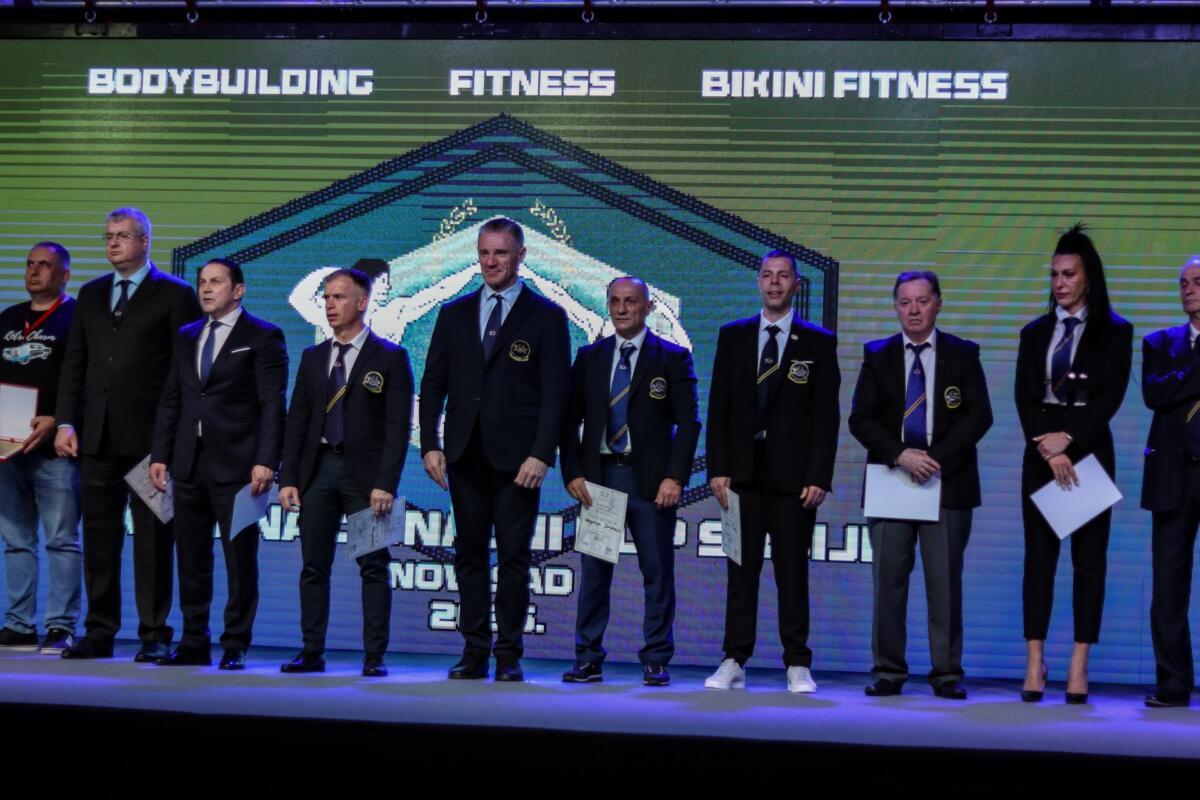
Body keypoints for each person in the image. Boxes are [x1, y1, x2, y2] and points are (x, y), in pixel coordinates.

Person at [420, 217, 571, 682]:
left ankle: (508, 654)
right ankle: (473, 651)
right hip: (464, 454)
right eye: (484, 253)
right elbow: (434, 383)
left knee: (513, 558)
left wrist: (542, 453)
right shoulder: (454, 314)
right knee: (468, 555)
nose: (491, 262)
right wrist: (429, 444)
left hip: (518, 462)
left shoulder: (546, 316)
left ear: (520, 255)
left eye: (500, 253)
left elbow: (557, 395)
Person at [55, 208, 201, 661]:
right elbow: (75, 364)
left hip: (150, 444)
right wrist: (65, 421)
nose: (113, 243)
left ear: (144, 242)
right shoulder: (91, 293)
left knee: (154, 539)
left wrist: (170, 440)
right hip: (96, 439)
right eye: (108, 236)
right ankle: (99, 631)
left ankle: (154, 633)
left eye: (122, 236)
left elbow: (184, 372)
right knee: (99, 539)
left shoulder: (175, 294)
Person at [848, 271, 992, 699]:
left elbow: (979, 416)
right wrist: (901, 454)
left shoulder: (963, 354)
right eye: (905, 302)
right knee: (888, 582)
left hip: (947, 482)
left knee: (944, 584)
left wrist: (933, 459)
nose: (913, 310)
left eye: (922, 301)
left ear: (938, 304)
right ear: (895, 306)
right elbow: (860, 419)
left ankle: (946, 674)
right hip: (892, 480)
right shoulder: (877, 355)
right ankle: (888, 671)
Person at [704, 249, 840, 693]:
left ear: (796, 284)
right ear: (758, 282)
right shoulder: (734, 336)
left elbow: (826, 416)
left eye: (784, 276)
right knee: (740, 572)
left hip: (794, 479)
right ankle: (734, 658)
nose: (775, 282)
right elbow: (719, 406)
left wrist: (819, 475)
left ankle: (797, 662)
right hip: (741, 476)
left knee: (792, 573)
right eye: (767, 275)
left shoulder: (818, 342)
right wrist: (718, 467)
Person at [559, 276, 701, 686]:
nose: (622, 309)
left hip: (651, 483)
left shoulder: (672, 357)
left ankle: (656, 658)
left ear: (648, 307)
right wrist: (573, 472)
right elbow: (567, 420)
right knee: (594, 576)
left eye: (631, 302)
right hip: (600, 479)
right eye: (616, 302)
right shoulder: (590, 357)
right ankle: (588, 658)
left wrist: (675, 476)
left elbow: (689, 423)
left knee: (657, 574)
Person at [149, 259, 288, 670]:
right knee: (191, 558)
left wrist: (266, 460)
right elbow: (172, 398)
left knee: (239, 560)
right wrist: (161, 454)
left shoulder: (263, 335)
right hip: (188, 464)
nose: (206, 289)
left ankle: (235, 643)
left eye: (216, 282)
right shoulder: (186, 335)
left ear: (238, 290)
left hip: (241, 468)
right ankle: (194, 640)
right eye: (202, 282)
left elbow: (272, 405)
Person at [1014, 224, 1132, 704]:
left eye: (1069, 274)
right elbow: (1024, 397)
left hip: (1089, 456)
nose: (1060, 283)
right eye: (1055, 275)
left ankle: (1079, 663)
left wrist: (1071, 440)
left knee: (1089, 563)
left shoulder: (1116, 331)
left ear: (1088, 278)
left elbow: (1110, 397)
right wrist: (1049, 447)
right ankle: (1034, 661)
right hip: (1042, 455)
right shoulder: (1034, 333)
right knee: (1038, 561)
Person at [277, 268, 413, 677]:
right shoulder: (313, 357)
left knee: (373, 566)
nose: (330, 305)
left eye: (338, 297)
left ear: (362, 302)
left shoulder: (389, 357)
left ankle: (374, 656)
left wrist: (385, 483)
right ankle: (311, 651)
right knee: (313, 567)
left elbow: (398, 428)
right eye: (326, 298)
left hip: (366, 479)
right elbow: (297, 421)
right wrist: (288, 478)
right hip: (318, 471)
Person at [0, 242, 82, 655]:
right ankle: (18, 624)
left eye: (45, 265)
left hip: (55, 450)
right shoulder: (7, 318)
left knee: (61, 540)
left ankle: (60, 626)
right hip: (8, 449)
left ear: (64, 275)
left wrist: (60, 419)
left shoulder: (77, 318)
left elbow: (86, 381)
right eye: (30, 264)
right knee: (16, 540)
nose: (34, 271)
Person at [1141, 255, 1200, 708]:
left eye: (1197, 282)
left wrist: (1183, 385)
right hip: (1174, 477)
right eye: (1183, 283)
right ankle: (1174, 682)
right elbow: (1155, 393)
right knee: (1168, 588)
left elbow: (1173, 391)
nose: (1188, 289)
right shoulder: (1159, 343)